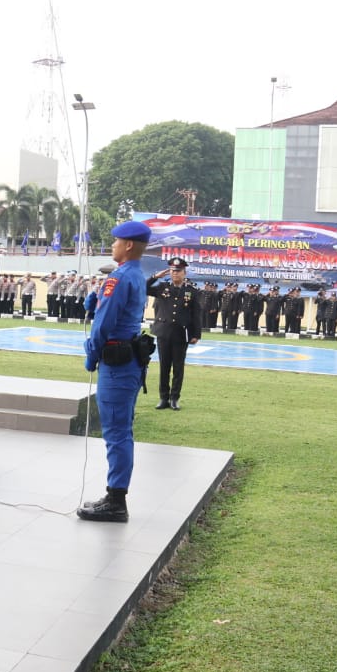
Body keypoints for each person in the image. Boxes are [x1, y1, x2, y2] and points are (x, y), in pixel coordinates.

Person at [78, 220, 152, 523]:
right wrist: (97, 304)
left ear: (129, 245)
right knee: (122, 430)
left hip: (117, 363)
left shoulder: (118, 279)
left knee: (117, 433)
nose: (113, 246)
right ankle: (115, 494)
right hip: (130, 360)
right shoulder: (136, 275)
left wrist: (91, 354)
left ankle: (116, 500)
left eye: (116, 241)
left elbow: (104, 326)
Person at [146, 256, 201, 411]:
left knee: (178, 368)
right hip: (163, 333)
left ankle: (174, 398)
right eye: (172, 271)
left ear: (184, 273)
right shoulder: (162, 287)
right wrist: (155, 277)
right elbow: (142, 288)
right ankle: (163, 398)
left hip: (180, 334)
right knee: (164, 367)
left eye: (178, 271)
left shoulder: (191, 291)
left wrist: (195, 334)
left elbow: (196, 314)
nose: (174, 274)